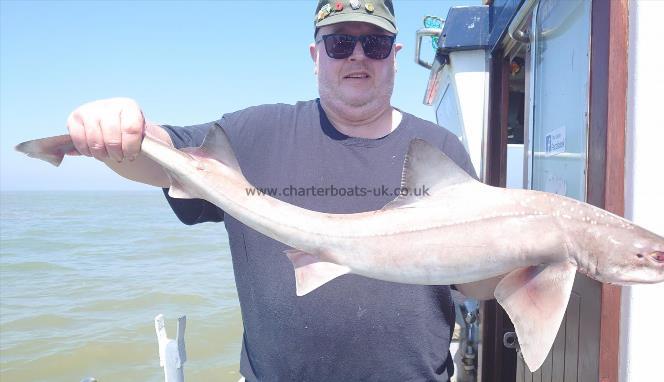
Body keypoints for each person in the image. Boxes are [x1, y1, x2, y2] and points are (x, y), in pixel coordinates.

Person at [65, 1, 498, 380]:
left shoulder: (438, 150)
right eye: (340, 43)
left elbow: (475, 285)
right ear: (315, 56)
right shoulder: (255, 135)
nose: (358, 56)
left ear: (395, 57)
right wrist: (124, 128)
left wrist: (518, 259)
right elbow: (163, 159)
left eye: (376, 44)